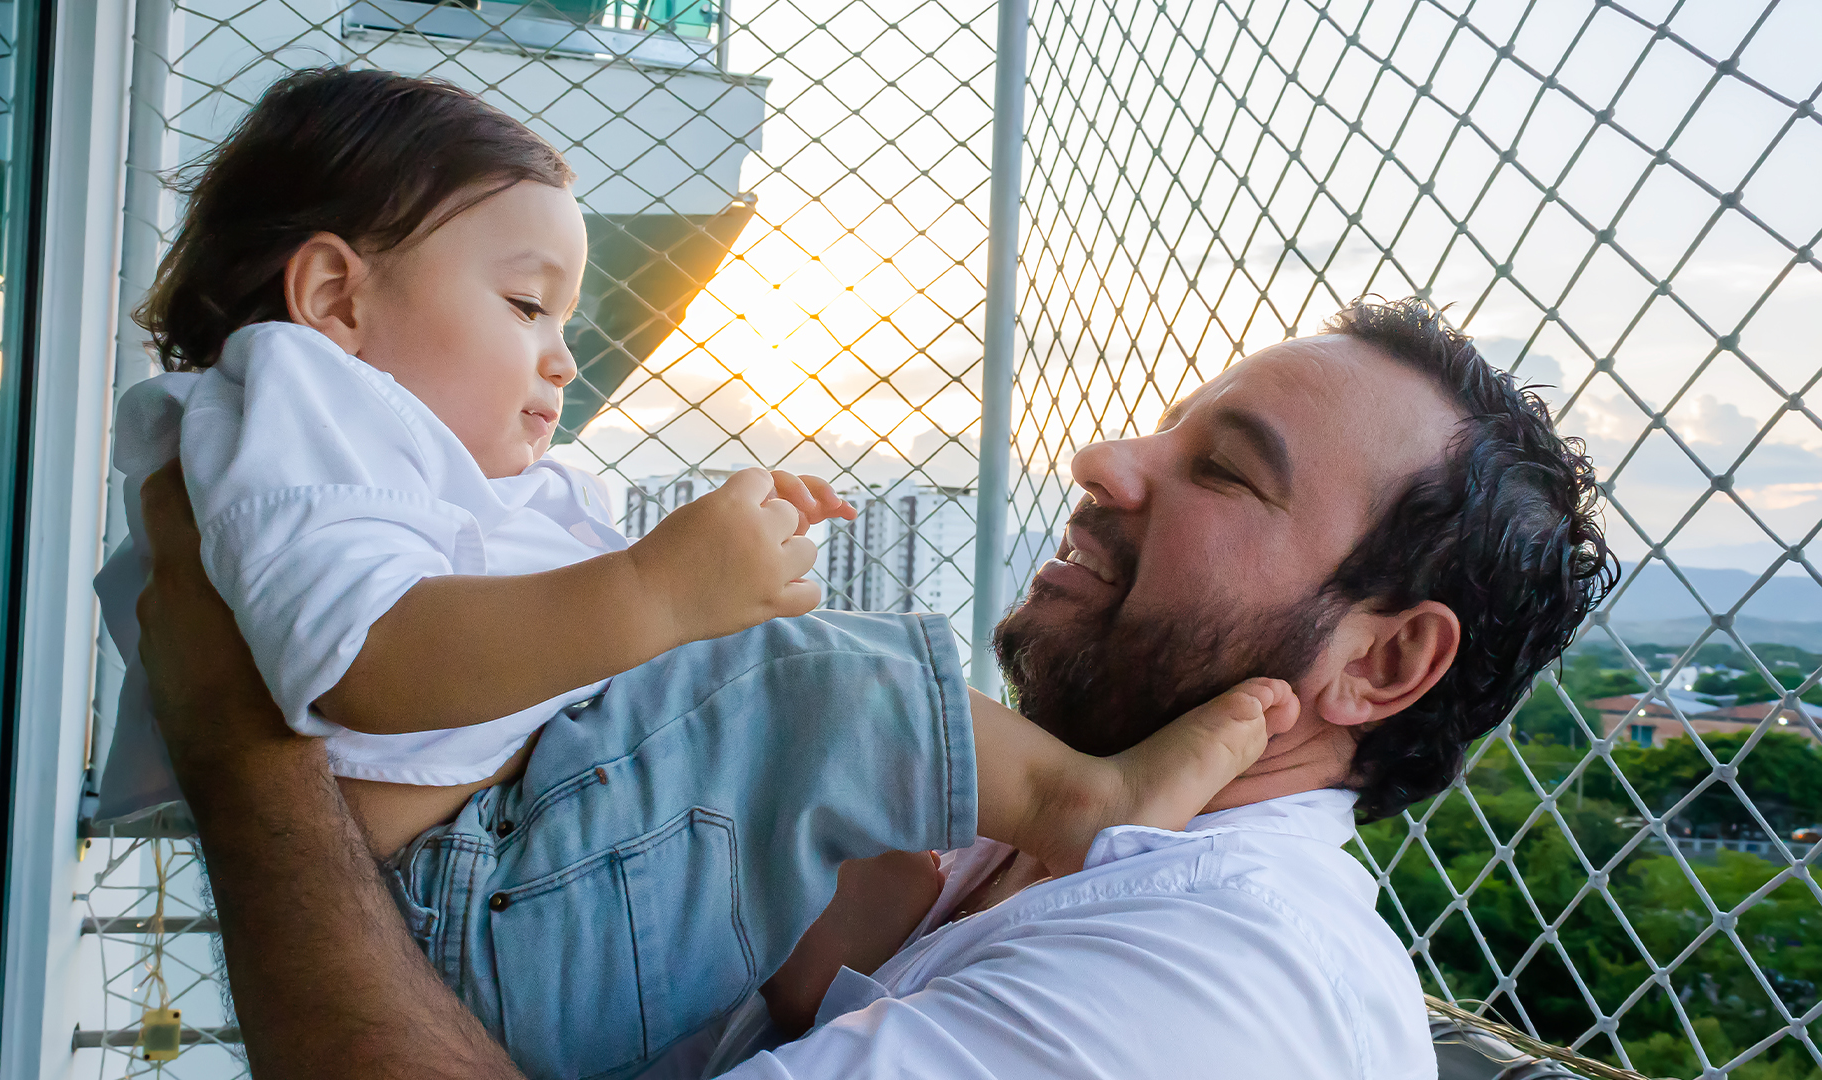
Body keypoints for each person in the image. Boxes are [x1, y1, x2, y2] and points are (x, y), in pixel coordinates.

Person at [95, 66, 1300, 1080]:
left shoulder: (368, 452)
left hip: (503, 883)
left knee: (781, 711)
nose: (561, 361)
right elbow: (356, 661)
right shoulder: (297, 405)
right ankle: (1082, 803)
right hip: (466, 901)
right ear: (331, 297)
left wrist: (689, 611)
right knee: (807, 686)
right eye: (524, 304)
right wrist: (656, 597)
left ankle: (845, 955)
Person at [133, 296, 1614, 1079]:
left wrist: (249, 747)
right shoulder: (998, 838)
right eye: (1165, 432)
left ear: (1382, 661)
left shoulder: (1220, 999)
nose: (1105, 466)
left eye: (1223, 471)